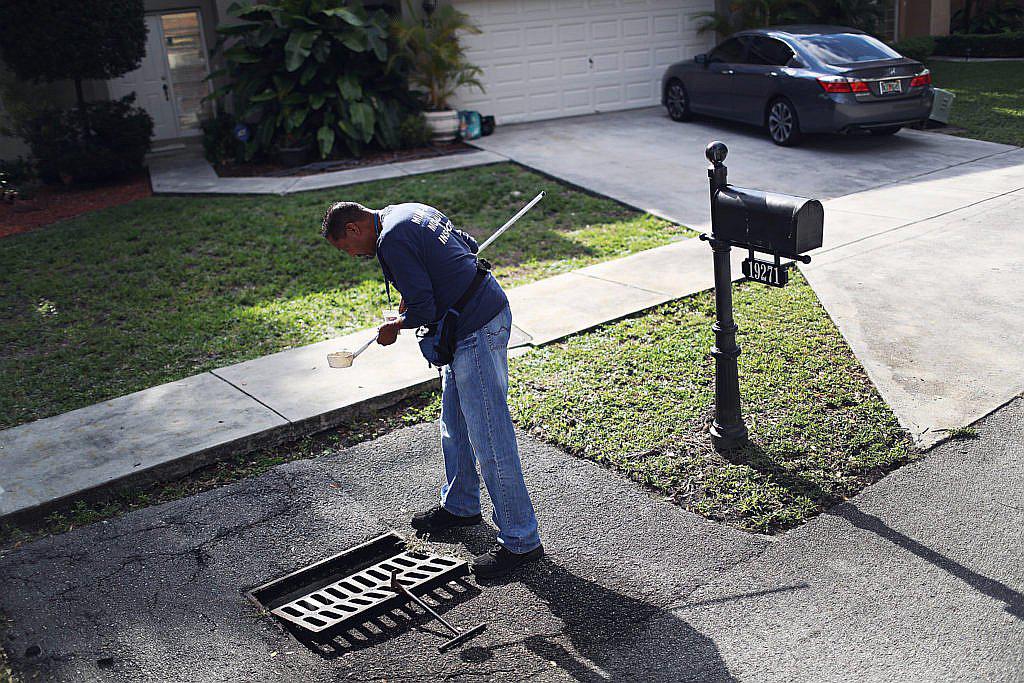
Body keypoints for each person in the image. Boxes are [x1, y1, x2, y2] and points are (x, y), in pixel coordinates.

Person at [320, 201, 543, 578]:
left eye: (346, 248)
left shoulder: (391, 240)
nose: (352, 255)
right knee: (454, 426)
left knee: (490, 437)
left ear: (355, 228)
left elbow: (423, 307)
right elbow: (467, 245)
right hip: (467, 326)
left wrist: (396, 326)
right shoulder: (407, 211)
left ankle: (522, 542)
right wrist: (414, 301)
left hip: (476, 328)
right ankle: (461, 505)